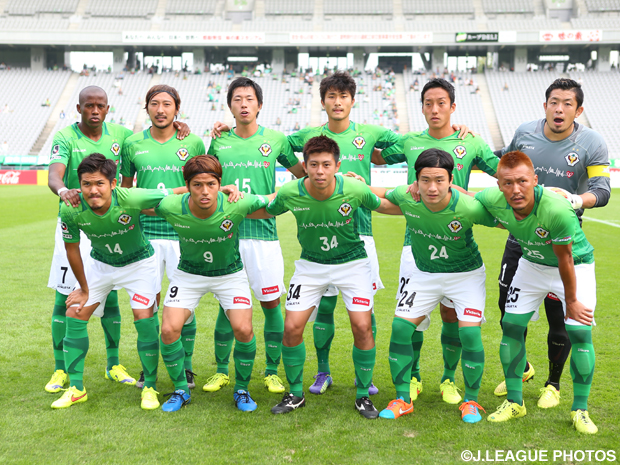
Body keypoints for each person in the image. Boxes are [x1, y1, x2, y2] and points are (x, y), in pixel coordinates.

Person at [46, 86, 191, 394]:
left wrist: (177, 123)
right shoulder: (65, 137)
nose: (94, 111)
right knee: (68, 296)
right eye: (89, 106)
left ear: (108, 109)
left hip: (117, 222)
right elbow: (54, 175)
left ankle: (114, 364)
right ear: (79, 108)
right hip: (77, 215)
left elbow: (151, 136)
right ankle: (61, 369)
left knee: (112, 298)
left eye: (100, 106)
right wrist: (64, 192)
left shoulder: (123, 136)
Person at [372, 78, 498, 405]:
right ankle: (411, 378)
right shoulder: (410, 140)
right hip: (414, 245)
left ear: (453, 107)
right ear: (422, 107)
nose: (435, 109)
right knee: (410, 321)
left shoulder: (470, 142)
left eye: (442, 103)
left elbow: (506, 175)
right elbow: (376, 159)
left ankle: (448, 378)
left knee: (452, 317)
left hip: (456, 241)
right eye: (428, 103)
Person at [492, 78, 610, 409]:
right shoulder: (524, 132)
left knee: (560, 318)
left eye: (567, 103)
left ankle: (553, 383)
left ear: (579, 109)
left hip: (561, 240)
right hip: (522, 238)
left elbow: (602, 190)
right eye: (554, 102)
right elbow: (503, 163)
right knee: (507, 312)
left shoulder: (592, 142)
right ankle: (523, 368)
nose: (559, 109)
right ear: (544, 105)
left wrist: (576, 200)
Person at [267, 135, 395, 419]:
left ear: (337, 165)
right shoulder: (290, 191)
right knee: (291, 328)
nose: (320, 171)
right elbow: (265, 207)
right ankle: (295, 393)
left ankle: (363, 395)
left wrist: (421, 203)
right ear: (305, 165)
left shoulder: (353, 189)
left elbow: (384, 205)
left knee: (362, 325)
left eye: (326, 164)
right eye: (314, 165)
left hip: (352, 264)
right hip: (310, 266)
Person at [476, 151, 598, 434]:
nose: (515, 189)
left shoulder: (556, 208)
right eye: (507, 183)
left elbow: (565, 258)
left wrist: (571, 302)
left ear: (535, 180)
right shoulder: (493, 198)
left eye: (522, 181)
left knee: (579, 332)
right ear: (499, 185)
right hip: (532, 264)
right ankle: (515, 402)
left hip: (574, 266)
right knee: (511, 325)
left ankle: (580, 409)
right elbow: (463, 196)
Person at [51, 153, 184, 410]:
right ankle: (76, 388)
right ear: (79, 184)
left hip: (139, 264)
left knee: (144, 317)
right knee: (74, 311)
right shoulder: (71, 208)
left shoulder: (130, 197)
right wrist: (84, 289)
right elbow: (72, 250)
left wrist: (218, 188)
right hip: (101, 264)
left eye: (100, 183)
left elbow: (172, 192)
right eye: (87, 184)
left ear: (113, 184)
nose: (93, 190)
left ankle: (150, 387)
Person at [203, 77, 305, 395]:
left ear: (259, 105)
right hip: (226, 235)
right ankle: (221, 371)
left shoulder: (275, 140)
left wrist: (280, 195)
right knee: (226, 305)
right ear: (230, 105)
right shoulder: (219, 141)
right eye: (237, 99)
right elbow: (205, 179)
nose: (244, 104)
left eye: (249, 98)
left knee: (271, 303)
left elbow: (301, 174)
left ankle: (271, 371)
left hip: (263, 236)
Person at [153, 155, 274, 412]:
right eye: (197, 185)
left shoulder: (236, 203)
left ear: (220, 184)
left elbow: (276, 200)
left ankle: (241, 389)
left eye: (211, 184)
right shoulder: (171, 206)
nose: (205, 191)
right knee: (168, 329)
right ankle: (180, 390)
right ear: (187, 186)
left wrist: (315, 182)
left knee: (243, 329)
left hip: (229, 274)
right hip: (189, 274)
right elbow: (139, 201)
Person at [120, 85, 207, 390]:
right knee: (148, 304)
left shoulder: (193, 141)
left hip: (184, 234)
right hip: (146, 237)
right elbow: (127, 190)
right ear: (147, 109)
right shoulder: (132, 144)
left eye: (167, 104)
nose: (160, 110)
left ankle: (186, 368)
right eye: (154, 104)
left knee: (185, 304)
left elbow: (202, 183)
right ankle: (149, 369)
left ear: (176, 110)